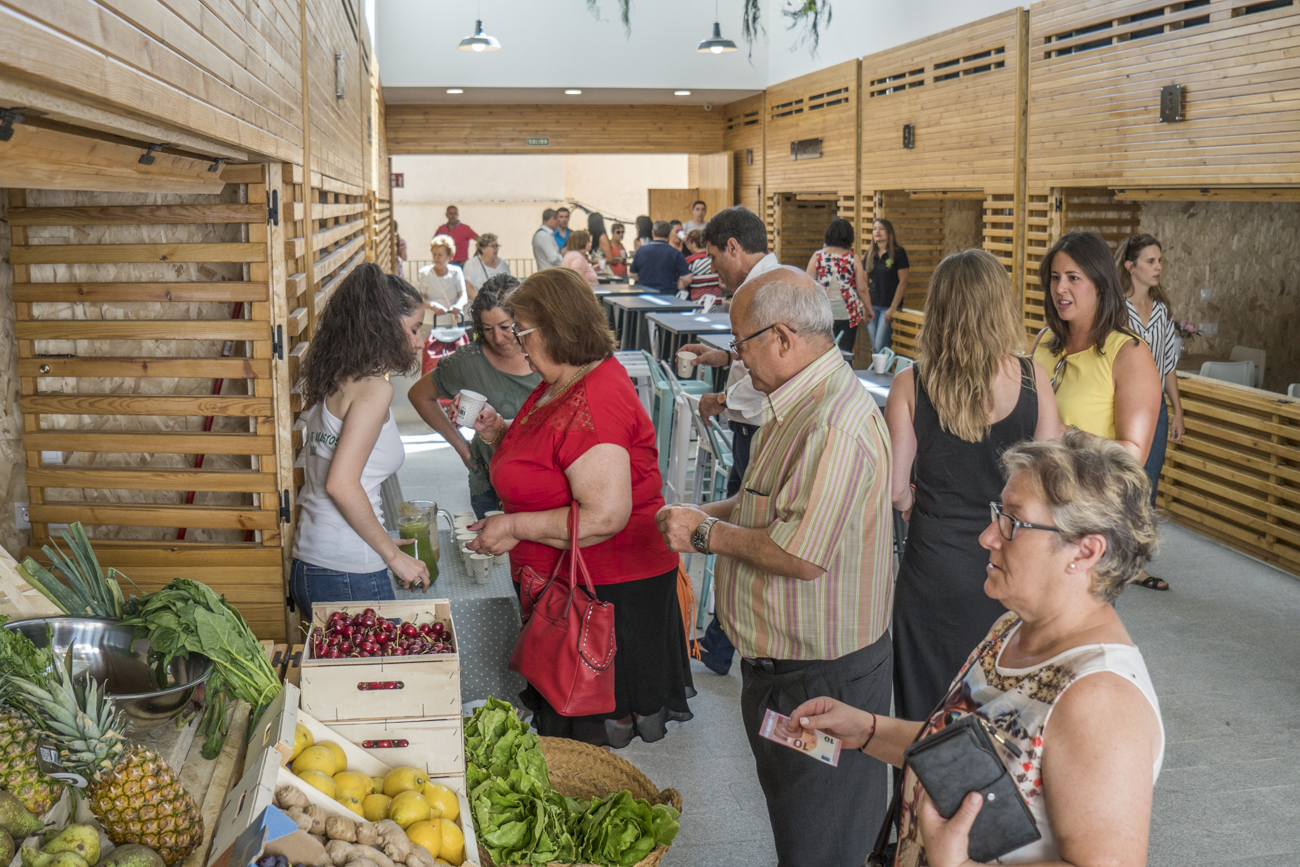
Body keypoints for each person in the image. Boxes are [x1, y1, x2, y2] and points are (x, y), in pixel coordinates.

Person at [788, 431, 1164, 867]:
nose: (988, 536)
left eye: (1013, 522)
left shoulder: (1100, 699)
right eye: (996, 514)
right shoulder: (1011, 628)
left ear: (1086, 550)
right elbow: (973, 758)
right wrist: (868, 730)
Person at [657, 268, 895, 867]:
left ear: (783, 338)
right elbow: (765, 503)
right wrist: (699, 514)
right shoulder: (795, 403)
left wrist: (705, 534)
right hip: (782, 670)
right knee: (799, 828)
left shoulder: (833, 424)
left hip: (822, 680)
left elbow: (801, 553)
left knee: (824, 841)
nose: (736, 359)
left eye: (741, 344)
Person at [466, 268, 695, 748]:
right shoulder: (564, 381)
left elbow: (604, 516)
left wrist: (512, 526)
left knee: (579, 749)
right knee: (567, 742)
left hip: (605, 596)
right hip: (570, 590)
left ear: (556, 328)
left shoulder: (596, 395)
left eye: (520, 330)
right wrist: (501, 433)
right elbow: (555, 456)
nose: (514, 342)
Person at [885, 249, 1063, 722]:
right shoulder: (1032, 379)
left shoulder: (911, 383)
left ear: (938, 307)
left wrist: (912, 502)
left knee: (922, 721)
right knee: (1000, 717)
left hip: (933, 570)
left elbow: (894, 488)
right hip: (1010, 565)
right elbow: (1051, 485)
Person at [290, 263, 430, 613]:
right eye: (414, 329)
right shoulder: (374, 389)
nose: (419, 341)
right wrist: (392, 555)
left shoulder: (336, 377)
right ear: (385, 327)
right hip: (348, 569)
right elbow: (341, 484)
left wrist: (381, 540)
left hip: (310, 562)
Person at [679, 206, 781, 675]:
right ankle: (720, 643)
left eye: (716, 258)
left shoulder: (766, 290)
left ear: (734, 248)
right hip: (753, 427)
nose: (713, 269)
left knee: (741, 532)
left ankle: (722, 644)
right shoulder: (770, 283)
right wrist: (722, 356)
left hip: (759, 431)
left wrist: (719, 397)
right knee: (740, 528)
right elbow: (753, 359)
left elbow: (772, 375)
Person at [407, 275, 541, 519]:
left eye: (505, 327)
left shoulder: (547, 351)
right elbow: (419, 395)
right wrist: (463, 449)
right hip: (491, 486)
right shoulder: (469, 361)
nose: (498, 339)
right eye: (488, 329)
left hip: (545, 484)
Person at [1033, 231, 1161, 465]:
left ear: (1100, 284)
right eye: (1054, 277)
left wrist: (1061, 432)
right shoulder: (1043, 340)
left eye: (1073, 278)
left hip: (1090, 498)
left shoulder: (1130, 354)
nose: (1060, 288)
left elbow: (1134, 456)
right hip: (1036, 493)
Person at [1118, 233, 1182, 592]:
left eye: (1159, 261)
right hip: (1123, 405)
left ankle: (1137, 565)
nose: (1158, 267)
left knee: (1148, 485)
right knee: (1120, 482)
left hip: (1156, 412)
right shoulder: (1115, 311)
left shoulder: (1162, 312)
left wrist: (1178, 411)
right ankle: (1112, 553)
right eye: (1150, 261)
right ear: (1130, 266)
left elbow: (1168, 366)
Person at [805, 217, 869, 353]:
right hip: (848, 313)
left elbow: (808, 284)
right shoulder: (853, 258)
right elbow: (862, 289)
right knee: (845, 353)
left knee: (823, 353)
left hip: (824, 313)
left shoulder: (818, 256)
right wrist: (869, 309)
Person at [864, 218, 910, 353]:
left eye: (881, 228)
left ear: (889, 232)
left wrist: (893, 308)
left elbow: (903, 281)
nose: (877, 231)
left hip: (888, 307)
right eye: (874, 229)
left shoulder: (898, 253)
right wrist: (865, 306)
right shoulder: (870, 254)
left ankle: (882, 373)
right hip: (872, 307)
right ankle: (877, 373)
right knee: (875, 349)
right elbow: (863, 282)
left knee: (880, 347)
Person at [416, 234, 470, 327]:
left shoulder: (456, 272)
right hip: (430, 323)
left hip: (452, 323)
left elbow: (463, 295)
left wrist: (458, 306)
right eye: (434, 254)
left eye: (440, 255)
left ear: (449, 256)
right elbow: (420, 299)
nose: (436, 258)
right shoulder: (425, 273)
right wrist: (433, 306)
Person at [629, 220, 691, 294]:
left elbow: (631, 274)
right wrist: (675, 285)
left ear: (653, 233)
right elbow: (687, 278)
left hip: (645, 294)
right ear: (668, 234)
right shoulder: (675, 253)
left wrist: (642, 280)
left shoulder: (641, 250)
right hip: (668, 295)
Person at [684, 229, 721, 300]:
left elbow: (684, 283)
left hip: (698, 303)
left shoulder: (690, 261)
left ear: (693, 243)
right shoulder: (715, 258)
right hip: (717, 301)